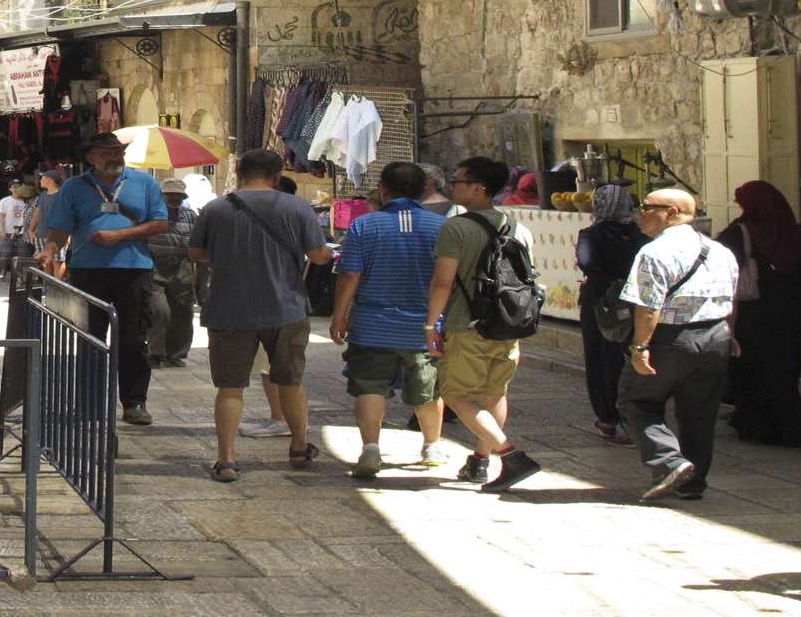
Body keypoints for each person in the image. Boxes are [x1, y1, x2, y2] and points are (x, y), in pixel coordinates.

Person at [188, 149, 327, 481]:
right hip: (286, 307)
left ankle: (227, 459)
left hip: (229, 308)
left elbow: (195, 252)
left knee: (230, 387)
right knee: (290, 381)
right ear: (278, 176)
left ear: (237, 171)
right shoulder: (298, 208)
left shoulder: (215, 209)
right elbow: (319, 256)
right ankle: (298, 446)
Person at [424, 156, 540, 492]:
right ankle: (480, 460)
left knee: (455, 394)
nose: (452, 186)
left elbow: (442, 282)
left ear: (479, 188)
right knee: (493, 393)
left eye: (458, 181)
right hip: (507, 323)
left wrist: (431, 325)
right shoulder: (520, 228)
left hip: (467, 323)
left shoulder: (456, 227)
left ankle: (511, 454)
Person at [40, 133, 170, 426]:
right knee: (89, 339)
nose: (115, 158)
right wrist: (49, 251)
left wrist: (120, 236)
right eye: (107, 153)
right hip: (88, 271)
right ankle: (90, 403)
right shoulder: (74, 187)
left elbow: (160, 223)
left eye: (118, 152)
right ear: (91, 158)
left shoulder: (144, 183)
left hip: (134, 270)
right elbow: (60, 229)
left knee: (134, 340)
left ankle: (135, 402)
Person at [619, 188, 740, 501]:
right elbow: (731, 298)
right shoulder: (720, 251)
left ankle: (669, 463)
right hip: (716, 336)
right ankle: (693, 481)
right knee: (700, 411)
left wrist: (640, 347)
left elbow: (648, 306)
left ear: (671, 212)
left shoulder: (654, 252)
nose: (639, 214)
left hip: (671, 338)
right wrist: (731, 334)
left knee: (636, 401)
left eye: (646, 207)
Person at [330, 162, 448, 478]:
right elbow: (445, 280)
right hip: (422, 327)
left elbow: (351, 274)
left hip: (372, 324)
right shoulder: (439, 228)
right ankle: (431, 445)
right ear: (425, 190)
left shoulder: (364, 227)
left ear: (383, 189)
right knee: (427, 388)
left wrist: (339, 316)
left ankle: (370, 448)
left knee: (369, 386)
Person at [716, 181, 801, 447]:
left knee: (751, 369)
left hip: (751, 315)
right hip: (787, 315)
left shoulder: (738, 233)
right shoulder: (798, 234)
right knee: (783, 368)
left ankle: (758, 424)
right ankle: (786, 422)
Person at [576, 184, 643, 445]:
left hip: (601, 303)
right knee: (630, 354)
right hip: (635, 301)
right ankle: (632, 415)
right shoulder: (639, 235)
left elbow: (587, 263)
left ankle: (608, 417)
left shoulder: (591, 235)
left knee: (601, 357)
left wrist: (608, 282)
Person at [143, 178, 198, 368]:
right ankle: (156, 352)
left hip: (182, 268)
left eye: (178, 195)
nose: (175, 198)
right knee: (160, 311)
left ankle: (176, 353)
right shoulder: (150, 214)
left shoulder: (190, 215)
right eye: (170, 194)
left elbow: (197, 241)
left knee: (183, 311)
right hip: (154, 267)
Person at [0, 181, 32, 277]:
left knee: (22, 253)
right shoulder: (4, 201)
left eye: (19, 187)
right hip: (8, 230)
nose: (16, 189)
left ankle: (19, 273)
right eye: (14, 187)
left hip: (23, 231)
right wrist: (2, 230)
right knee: (4, 254)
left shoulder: (27, 201)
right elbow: (1, 217)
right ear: (10, 189)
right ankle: (3, 270)